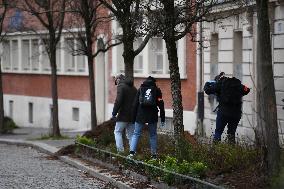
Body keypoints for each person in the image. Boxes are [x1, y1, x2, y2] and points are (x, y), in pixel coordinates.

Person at [204, 72, 250, 144]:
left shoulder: (220, 84)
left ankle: (215, 152)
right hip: (236, 113)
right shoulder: (237, 84)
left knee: (218, 132)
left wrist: (207, 83)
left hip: (223, 113)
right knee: (231, 134)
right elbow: (247, 90)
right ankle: (231, 152)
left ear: (217, 80)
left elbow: (207, 90)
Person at [128, 76, 165, 159]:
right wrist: (162, 118)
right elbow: (161, 105)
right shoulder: (157, 91)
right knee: (153, 135)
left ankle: (131, 153)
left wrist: (133, 118)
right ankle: (154, 155)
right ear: (154, 82)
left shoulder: (140, 89)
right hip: (152, 116)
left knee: (136, 134)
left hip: (140, 115)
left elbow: (135, 105)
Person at [112, 74, 137, 153]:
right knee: (131, 135)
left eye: (116, 82)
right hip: (132, 115)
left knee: (117, 132)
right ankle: (132, 153)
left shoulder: (121, 87)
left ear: (118, 79)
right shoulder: (134, 88)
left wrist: (114, 113)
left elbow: (118, 101)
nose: (117, 84)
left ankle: (121, 152)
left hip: (123, 115)